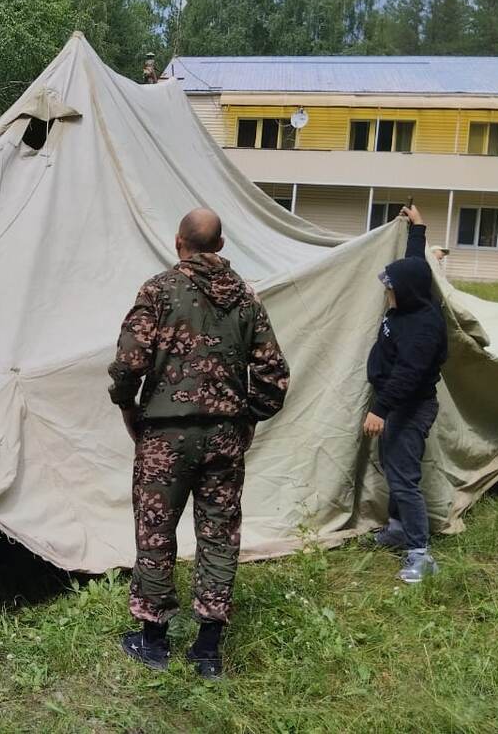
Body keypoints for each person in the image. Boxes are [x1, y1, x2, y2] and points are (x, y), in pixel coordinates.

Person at [108, 208, 290, 679]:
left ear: (178, 242)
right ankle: (207, 650)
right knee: (218, 535)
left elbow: (129, 362)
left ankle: (153, 641)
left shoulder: (158, 291)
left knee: (155, 531)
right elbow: (273, 375)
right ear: (221, 246)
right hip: (224, 439)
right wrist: (247, 417)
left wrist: (128, 407)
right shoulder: (247, 300)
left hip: (164, 436)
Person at [364, 204, 449, 584]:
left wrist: (381, 408)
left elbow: (410, 373)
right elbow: (414, 264)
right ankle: (397, 528)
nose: (388, 291)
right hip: (398, 406)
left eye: (392, 288)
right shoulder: (414, 296)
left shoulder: (423, 326)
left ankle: (420, 553)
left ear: (408, 292)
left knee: (403, 479)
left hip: (410, 408)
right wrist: (418, 227)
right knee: (395, 469)